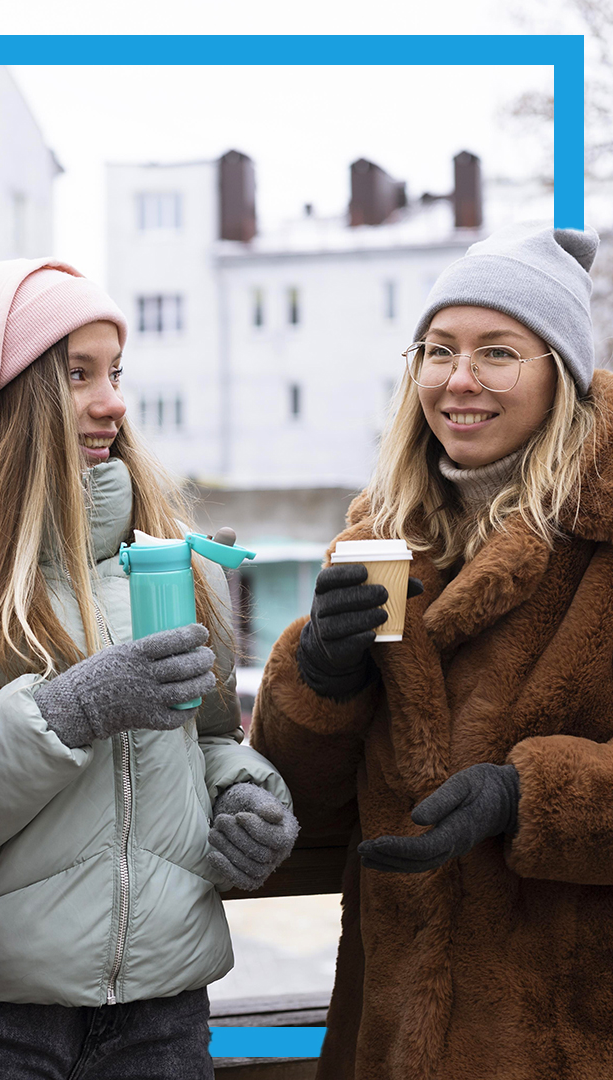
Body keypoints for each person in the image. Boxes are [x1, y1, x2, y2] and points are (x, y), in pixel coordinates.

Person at [0, 257, 299, 1080]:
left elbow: (208, 741)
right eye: (77, 374)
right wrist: (64, 713)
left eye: (114, 372)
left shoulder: (176, 566)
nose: (113, 400)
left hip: (166, 1015)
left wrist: (249, 797)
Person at [251, 222, 613, 1080]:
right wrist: (320, 682)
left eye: (497, 352)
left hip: (566, 1036)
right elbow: (299, 800)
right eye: (437, 350)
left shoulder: (601, 548)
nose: (459, 381)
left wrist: (531, 797)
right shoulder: (383, 539)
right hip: (388, 1036)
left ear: (559, 374)